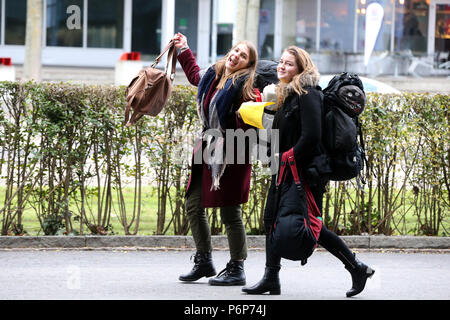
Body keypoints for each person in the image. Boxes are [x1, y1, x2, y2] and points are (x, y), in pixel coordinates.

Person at [241, 46, 375, 297]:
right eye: (281, 62)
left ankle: (356, 267)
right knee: (271, 219)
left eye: (289, 64)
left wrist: (288, 156)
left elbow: (311, 136)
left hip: (306, 172)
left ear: (301, 68)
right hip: (285, 169)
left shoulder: (309, 94)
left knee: (312, 226)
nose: (281, 66)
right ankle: (271, 277)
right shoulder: (287, 94)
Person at [173, 33, 260, 286]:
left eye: (242, 55)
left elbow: (251, 126)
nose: (235, 56)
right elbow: (195, 76)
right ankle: (204, 261)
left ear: (248, 64)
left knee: (230, 211)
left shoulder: (246, 88)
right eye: (235, 51)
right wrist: (184, 49)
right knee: (192, 203)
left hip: (231, 154)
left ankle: (237, 267)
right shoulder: (214, 74)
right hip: (207, 147)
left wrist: (234, 123)